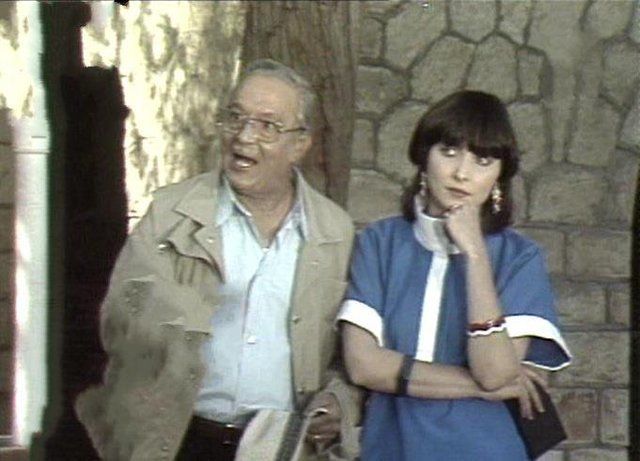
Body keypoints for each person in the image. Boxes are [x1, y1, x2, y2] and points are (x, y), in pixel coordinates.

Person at [75, 59, 360, 461]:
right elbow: (121, 319)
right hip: (179, 439)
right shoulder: (171, 214)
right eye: (235, 117)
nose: (244, 136)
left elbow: (347, 355)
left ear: (300, 144)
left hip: (279, 446)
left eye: (267, 125)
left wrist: (337, 402)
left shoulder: (334, 232)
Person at [337, 90, 572, 460]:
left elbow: (494, 373)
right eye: (448, 152)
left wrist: (475, 254)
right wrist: (475, 387)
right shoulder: (380, 242)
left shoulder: (519, 258)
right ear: (423, 157)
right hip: (391, 447)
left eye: (482, 160)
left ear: (499, 176)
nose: (462, 173)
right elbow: (363, 366)